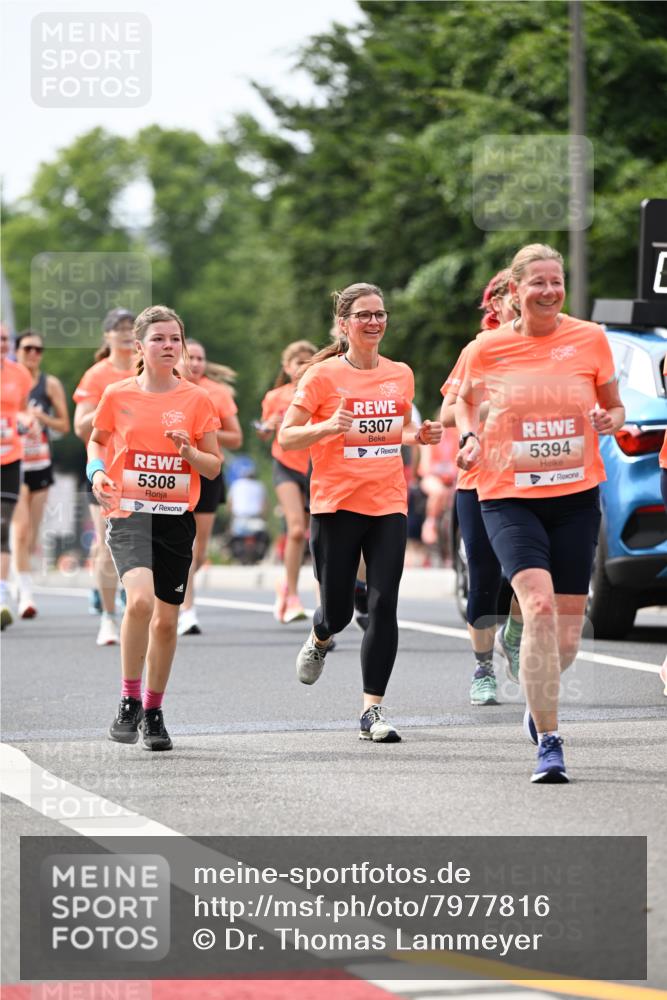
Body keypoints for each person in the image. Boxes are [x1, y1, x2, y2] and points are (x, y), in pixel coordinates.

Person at [456, 244, 625, 783]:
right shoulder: (487, 347)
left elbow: (615, 405)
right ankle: (550, 743)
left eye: (557, 282)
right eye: (538, 283)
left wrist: (610, 419)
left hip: (575, 496)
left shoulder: (590, 338)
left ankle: (536, 698)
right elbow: (464, 401)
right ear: (515, 291)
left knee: (567, 638)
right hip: (507, 493)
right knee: (538, 606)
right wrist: (469, 437)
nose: (550, 291)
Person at [279, 282, 442, 742]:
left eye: (380, 314)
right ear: (344, 324)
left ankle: (372, 710)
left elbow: (393, 431)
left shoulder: (400, 374)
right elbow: (287, 436)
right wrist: (329, 425)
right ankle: (320, 636)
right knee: (337, 612)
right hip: (336, 504)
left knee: (383, 603)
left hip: (388, 502)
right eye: (364, 315)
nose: (374, 322)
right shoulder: (322, 376)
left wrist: (419, 436)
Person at [87, 305, 221, 751]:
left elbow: (213, 466)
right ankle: (129, 699)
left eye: (174, 339)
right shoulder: (117, 394)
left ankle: (154, 709)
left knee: (166, 622)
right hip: (128, 513)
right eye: (159, 339)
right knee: (140, 600)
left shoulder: (197, 399)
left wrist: (189, 454)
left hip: (175, 518)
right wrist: (96, 474)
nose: (168, 346)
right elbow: (97, 441)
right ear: (139, 346)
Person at [440, 269, 524, 706]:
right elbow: (447, 412)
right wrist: (492, 404)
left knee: (530, 573)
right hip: (480, 479)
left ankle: (514, 632)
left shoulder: (547, 347)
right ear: (496, 304)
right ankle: (483, 668)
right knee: (485, 578)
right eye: (513, 295)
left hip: (529, 477)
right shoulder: (479, 348)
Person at [73, 308, 136, 646]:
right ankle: (108, 618)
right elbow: (80, 427)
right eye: (119, 328)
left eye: (132, 327)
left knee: (144, 545)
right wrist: (111, 403)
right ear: (107, 335)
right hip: (105, 470)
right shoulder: (97, 375)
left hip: (143, 468)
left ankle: (133, 606)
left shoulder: (147, 368)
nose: (127, 333)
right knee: (107, 542)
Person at [177, 339, 243, 636]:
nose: (195, 363)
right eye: (190, 357)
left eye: (200, 358)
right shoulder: (168, 389)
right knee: (181, 543)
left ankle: (180, 597)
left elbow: (236, 438)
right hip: (175, 472)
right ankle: (186, 609)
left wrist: (206, 433)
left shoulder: (217, 393)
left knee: (199, 548)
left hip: (207, 471)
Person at [11, 330, 70, 618]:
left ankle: (17, 572)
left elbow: (64, 425)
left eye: (38, 349)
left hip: (41, 462)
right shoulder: (8, 381)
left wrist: (41, 417)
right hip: (13, 461)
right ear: (17, 351)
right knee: (20, 529)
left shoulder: (50, 384)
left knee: (32, 534)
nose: (33, 354)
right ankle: (26, 594)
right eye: (28, 349)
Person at [258, 340, 317, 623]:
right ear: (286, 366)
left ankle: (288, 586)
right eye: (298, 363)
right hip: (285, 466)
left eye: (308, 362)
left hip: (314, 466)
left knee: (313, 534)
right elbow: (262, 432)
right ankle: (292, 595)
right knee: (295, 530)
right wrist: (268, 425)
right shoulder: (275, 397)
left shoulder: (319, 391)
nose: (302, 368)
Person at [0, 325, 33, 629]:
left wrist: (25, 421)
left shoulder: (19, 374)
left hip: (10, 455)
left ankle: (0, 597)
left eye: (5, 339)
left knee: (3, 526)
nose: (2, 344)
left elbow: (24, 410)